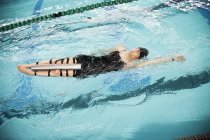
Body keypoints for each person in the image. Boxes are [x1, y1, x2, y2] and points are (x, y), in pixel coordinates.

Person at [17, 45, 185, 78]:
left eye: (138, 52)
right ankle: (33, 65)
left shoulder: (130, 65)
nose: (135, 51)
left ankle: (31, 72)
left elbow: (151, 63)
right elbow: (100, 50)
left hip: (90, 70)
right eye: (137, 48)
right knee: (56, 61)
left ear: (138, 57)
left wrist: (171, 58)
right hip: (87, 60)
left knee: (56, 71)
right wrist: (93, 52)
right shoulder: (121, 48)